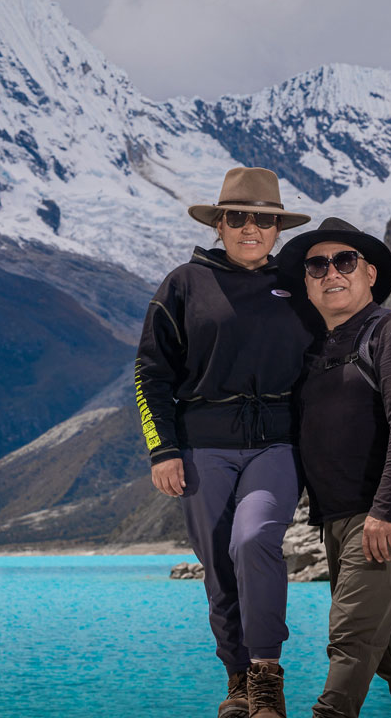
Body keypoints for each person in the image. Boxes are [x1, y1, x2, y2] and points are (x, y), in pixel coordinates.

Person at [135, 167, 315, 718]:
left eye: (263, 220)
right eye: (238, 218)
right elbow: (150, 372)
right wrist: (161, 449)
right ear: (219, 224)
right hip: (200, 449)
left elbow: (350, 323)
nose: (251, 228)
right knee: (216, 565)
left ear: (277, 228)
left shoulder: (298, 284)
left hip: (277, 446)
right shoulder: (183, 284)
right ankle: (237, 682)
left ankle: (266, 676)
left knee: (253, 539)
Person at [276, 217, 391, 718]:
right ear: (306, 283)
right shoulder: (317, 349)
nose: (332, 272)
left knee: (350, 639)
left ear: (369, 272)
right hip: (337, 516)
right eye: (317, 265)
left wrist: (385, 511)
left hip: (382, 513)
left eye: (344, 261)